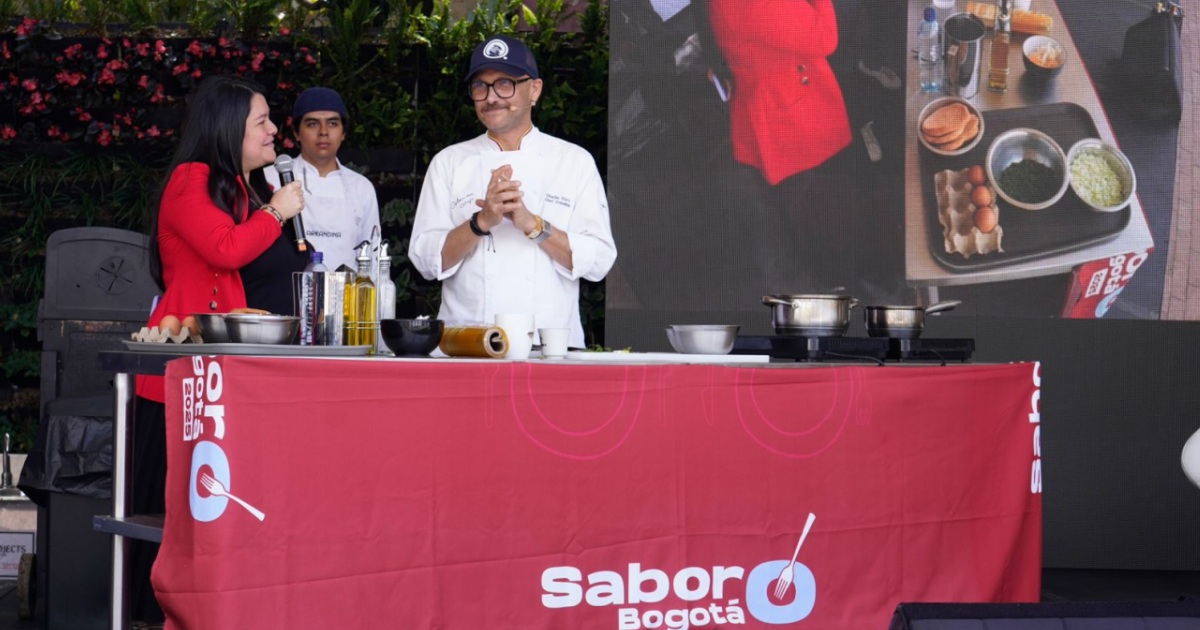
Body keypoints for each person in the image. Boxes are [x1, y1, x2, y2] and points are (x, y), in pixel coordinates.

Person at [133, 75, 304, 622]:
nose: (275, 129)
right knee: (167, 520)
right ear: (228, 128)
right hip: (176, 372)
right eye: (262, 121)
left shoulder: (236, 186)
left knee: (209, 514)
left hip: (217, 374)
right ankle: (146, 613)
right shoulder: (190, 178)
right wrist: (277, 211)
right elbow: (226, 250)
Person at [409, 35, 616, 347]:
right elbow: (425, 261)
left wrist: (532, 225)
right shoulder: (449, 163)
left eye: (504, 83)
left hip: (550, 348)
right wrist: (481, 222)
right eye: (480, 86)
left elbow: (599, 261)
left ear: (534, 89)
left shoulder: (573, 161)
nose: (491, 96)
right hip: (468, 346)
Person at [264, 87, 380, 274]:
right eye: (312, 124)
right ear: (296, 132)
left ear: (343, 132)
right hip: (285, 298)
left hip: (346, 299)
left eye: (332, 124)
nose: (323, 132)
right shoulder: (271, 179)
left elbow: (372, 259)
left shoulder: (361, 188)